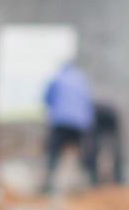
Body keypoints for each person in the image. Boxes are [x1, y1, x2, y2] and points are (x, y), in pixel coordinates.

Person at [41, 58, 96, 193]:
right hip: (80, 124)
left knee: (54, 153)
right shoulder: (81, 79)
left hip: (61, 121)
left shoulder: (58, 78)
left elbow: (47, 98)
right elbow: (88, 102)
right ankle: (86, 183)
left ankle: (49, 183)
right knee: (81, 153)